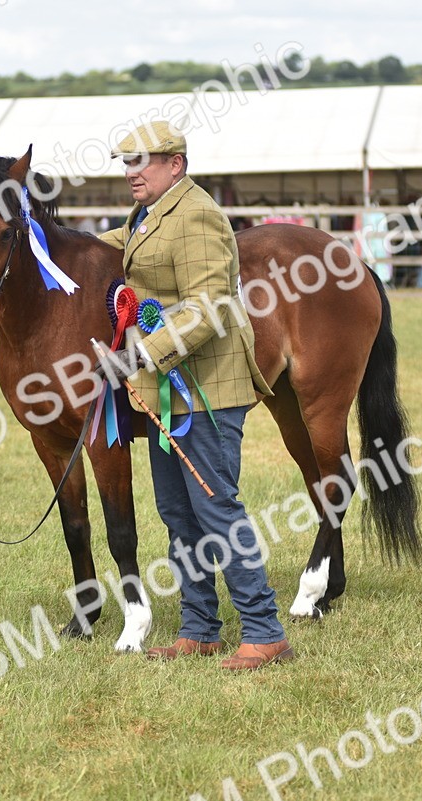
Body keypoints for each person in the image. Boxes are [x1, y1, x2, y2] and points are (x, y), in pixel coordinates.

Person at [99, 121, 292, 671]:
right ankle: (200, 627)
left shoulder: (198, 214)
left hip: (207, 385)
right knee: (177, 512)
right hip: (166, 390)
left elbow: (208, 308)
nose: (131, 172)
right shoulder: (147, 215)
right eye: (126, 163)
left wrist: (141, 354)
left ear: (175, 164)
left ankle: (265, 630)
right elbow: (106, 251)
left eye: (142, 162)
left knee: (217, 509)